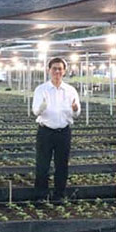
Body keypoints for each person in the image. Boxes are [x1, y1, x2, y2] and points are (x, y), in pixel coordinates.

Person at [32, 57, 81, 202]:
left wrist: (75, 109)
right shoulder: (41, 90)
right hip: (45, 131)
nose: (57, 71)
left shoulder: (70, 90)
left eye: (60, 69)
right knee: (42, 164)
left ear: (64, 71)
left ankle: (59, 194)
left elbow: (77, 113)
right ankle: (41, 195)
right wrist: (41, 108)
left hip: (63, 132)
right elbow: (35, 111)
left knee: (62, 165)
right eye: (54, 68)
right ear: (49, 70)